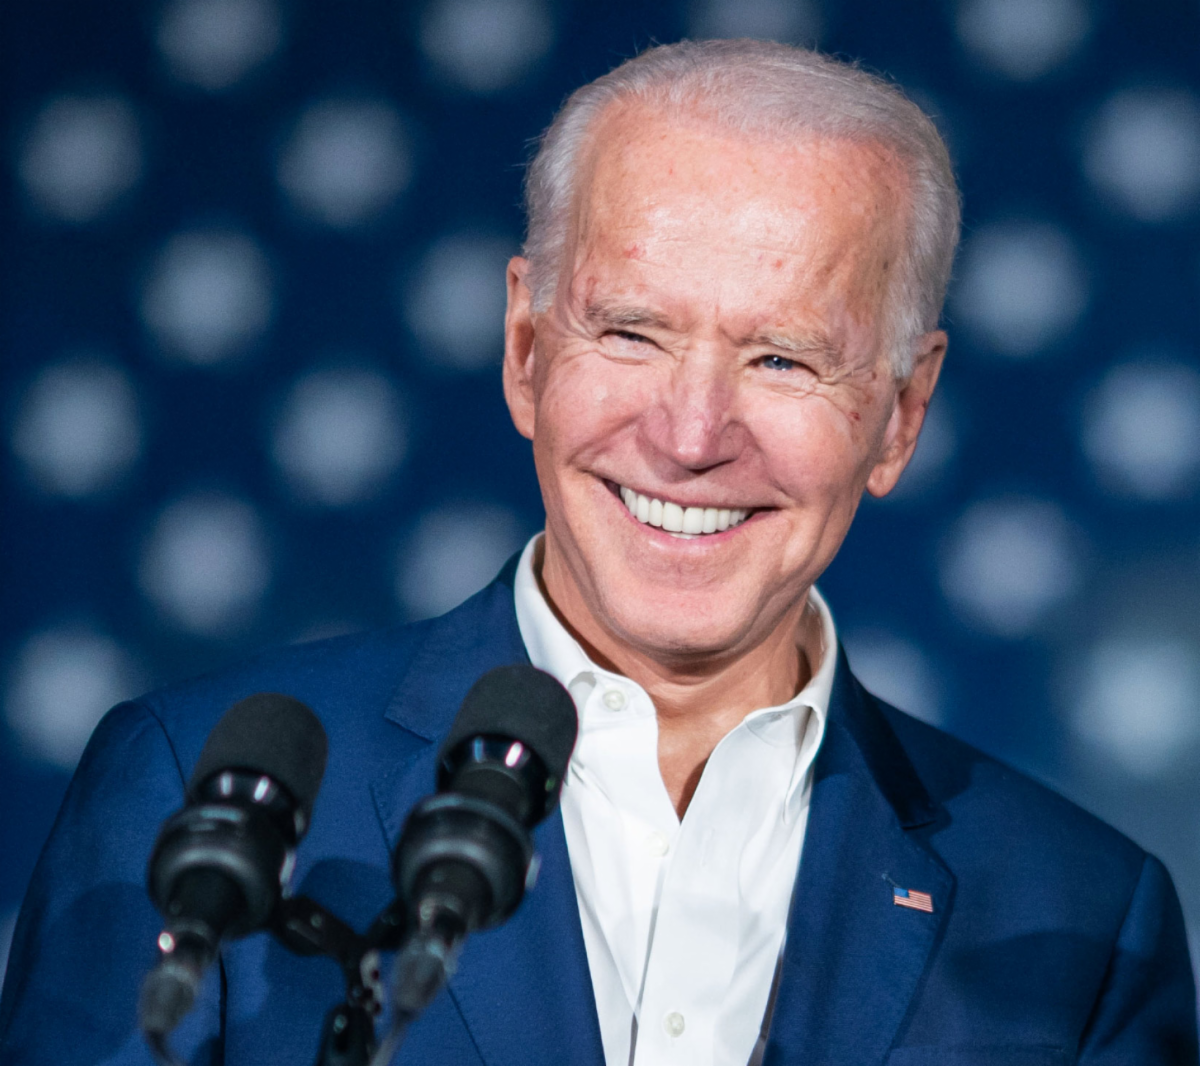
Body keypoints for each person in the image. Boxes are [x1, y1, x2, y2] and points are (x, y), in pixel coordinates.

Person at [0, 38, 1196, 1066]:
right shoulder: (194, 792)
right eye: (630, 332)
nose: (688, 436)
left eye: (782, 358)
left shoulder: (1085, 917)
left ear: (900, 412)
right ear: (526, 349)